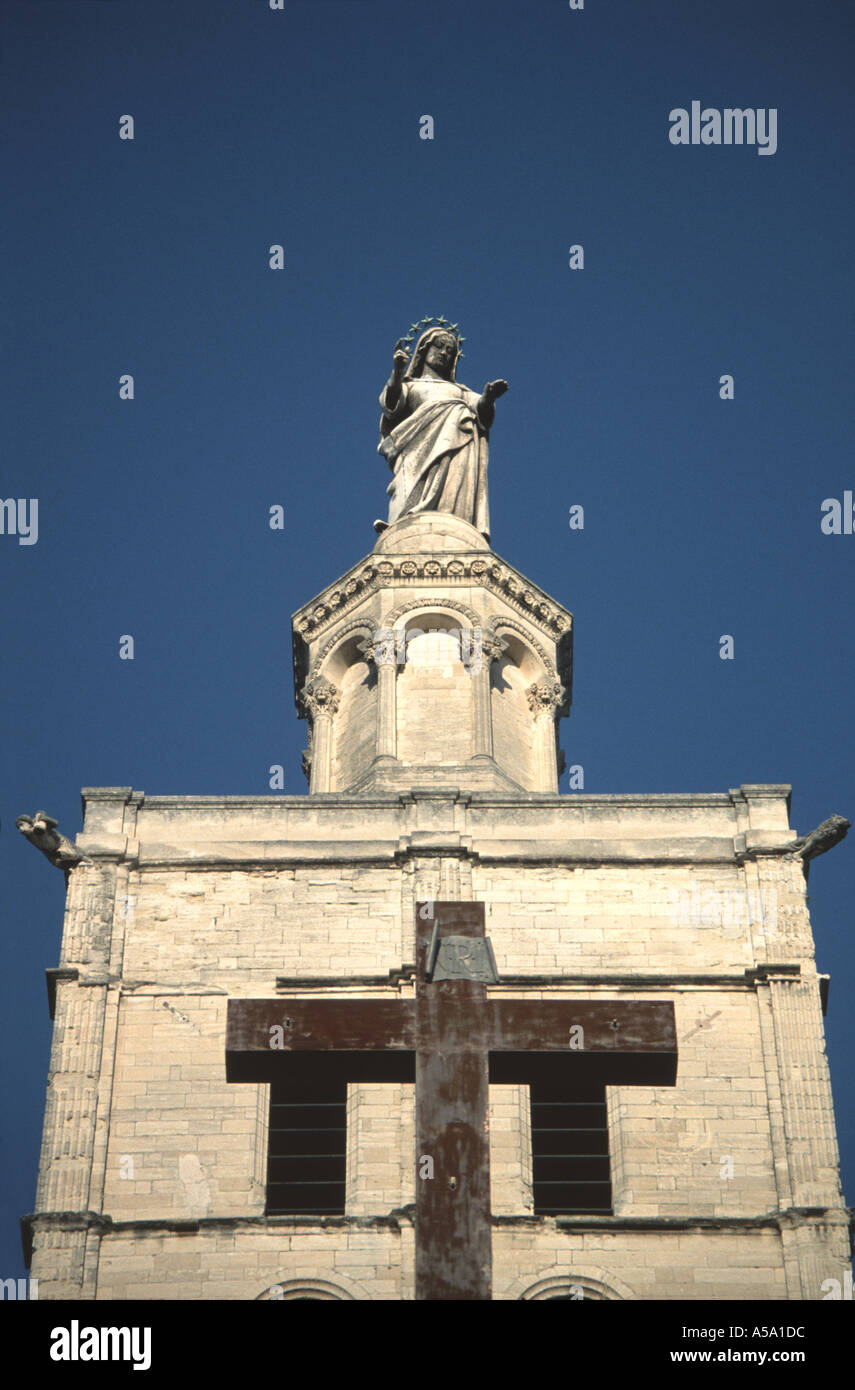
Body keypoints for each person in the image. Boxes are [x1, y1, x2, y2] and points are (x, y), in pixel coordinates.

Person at [375, 326, 508, 541]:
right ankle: (404, 519)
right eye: (439, 347)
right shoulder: (411, 385)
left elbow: (483, 415)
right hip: (416, 451)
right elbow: (391, 406)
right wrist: (398, 371)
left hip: (458, 447)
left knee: (460, 415)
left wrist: (488, 398)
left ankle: (452, 517)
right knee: (408, 490)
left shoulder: (460, 392)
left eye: (450, 350)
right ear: (424, 350)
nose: (444, 353)